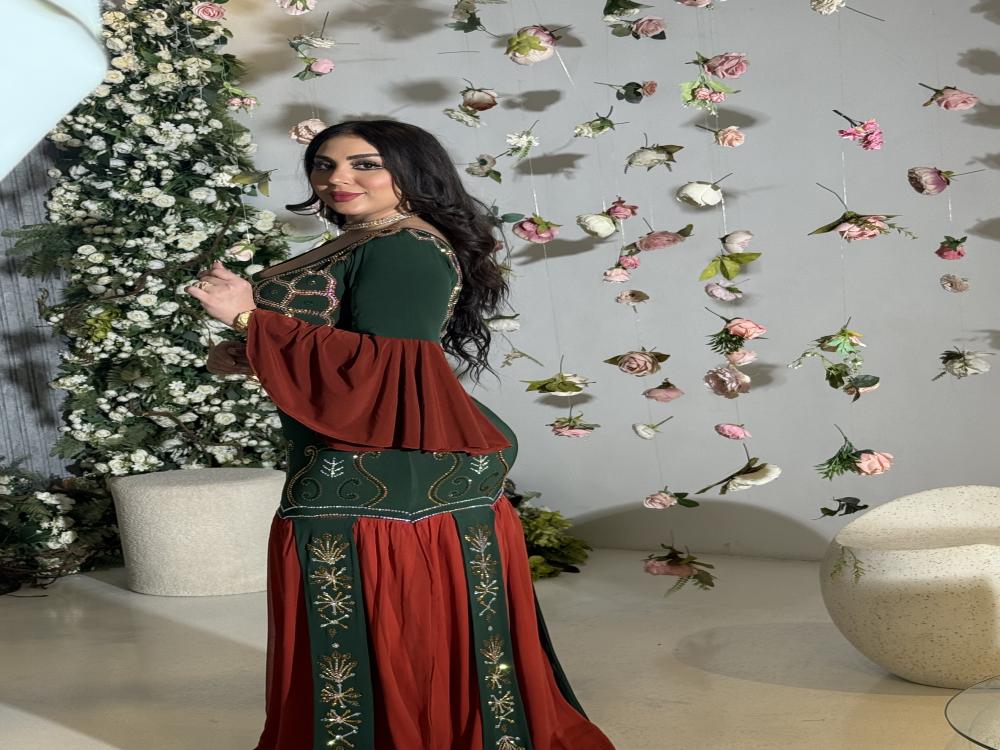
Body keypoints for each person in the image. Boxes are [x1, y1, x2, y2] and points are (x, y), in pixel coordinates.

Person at [186, 119, 616, 750]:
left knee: (388, 632)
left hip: (386, 471)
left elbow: (391, 366)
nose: (338, 178)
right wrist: (253, 347)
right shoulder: (367, 240)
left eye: (365, 164)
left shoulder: (404, 248)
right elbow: (347, 344)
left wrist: (251, 317)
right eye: (324, 164)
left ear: (410, 171)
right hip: (354, 455)